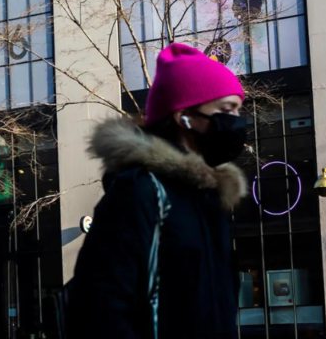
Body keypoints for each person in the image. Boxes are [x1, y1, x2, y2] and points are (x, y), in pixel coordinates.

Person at [67, 43, 250, 339]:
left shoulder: (208, 198)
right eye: (226, 110)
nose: (237, 121)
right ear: (184, 117)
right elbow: (99, 309)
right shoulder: (141, 190)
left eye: (239, 109)